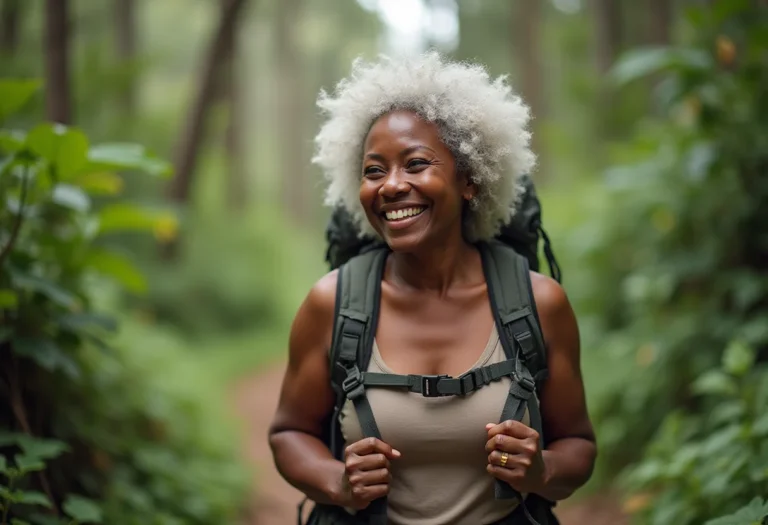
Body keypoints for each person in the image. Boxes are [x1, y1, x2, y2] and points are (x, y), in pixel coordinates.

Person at [268, 52, 597, 525]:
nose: (391, 186)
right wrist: (336, 481)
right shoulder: (332, 304)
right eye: (374, 170)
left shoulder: (538, 304)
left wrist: (541, 471)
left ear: (469, 180)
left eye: (416, 164)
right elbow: (288, 432)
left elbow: (579, 446)